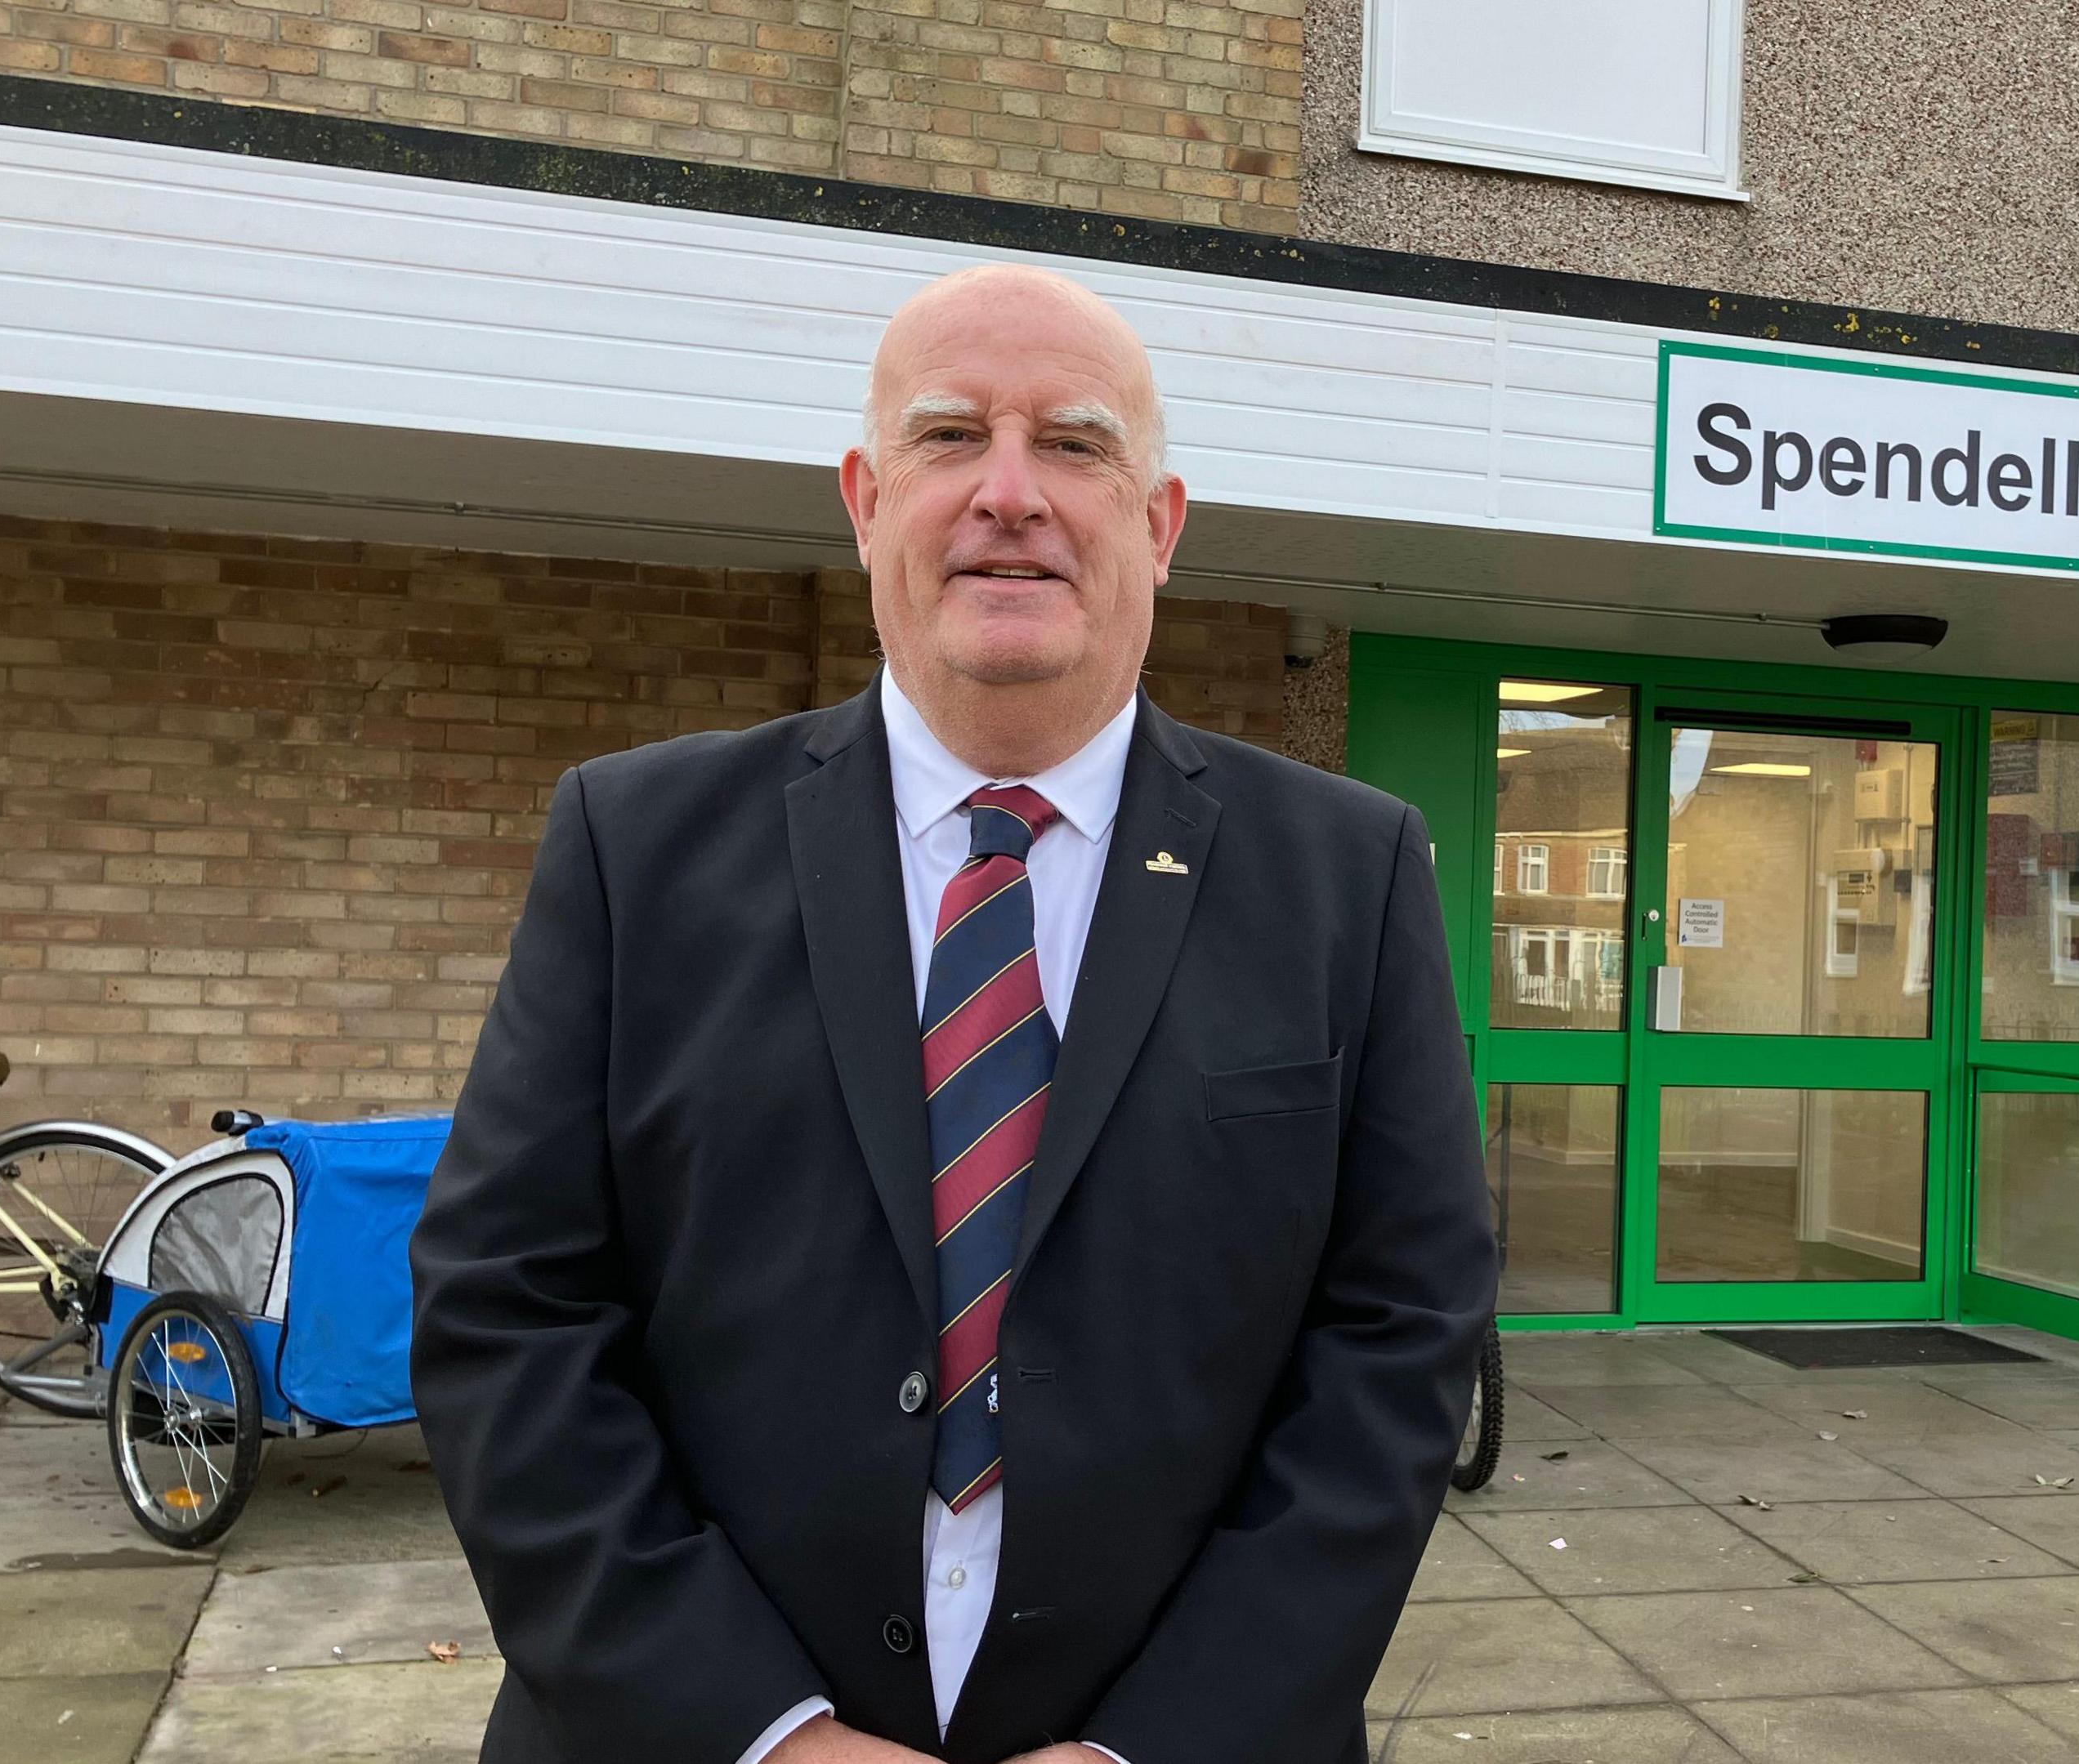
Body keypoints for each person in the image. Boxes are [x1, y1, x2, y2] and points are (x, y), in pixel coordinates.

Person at [410, 263, 1496, 1764]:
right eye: (947, 437)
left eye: (1076, 441)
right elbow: (508, 1309)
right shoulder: (634, 845)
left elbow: (1399, 1338)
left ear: (1161, 524)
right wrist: (766, 1734)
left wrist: (1162, 1746)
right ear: (864, 501)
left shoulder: (1349, 872)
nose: (1010, 492)